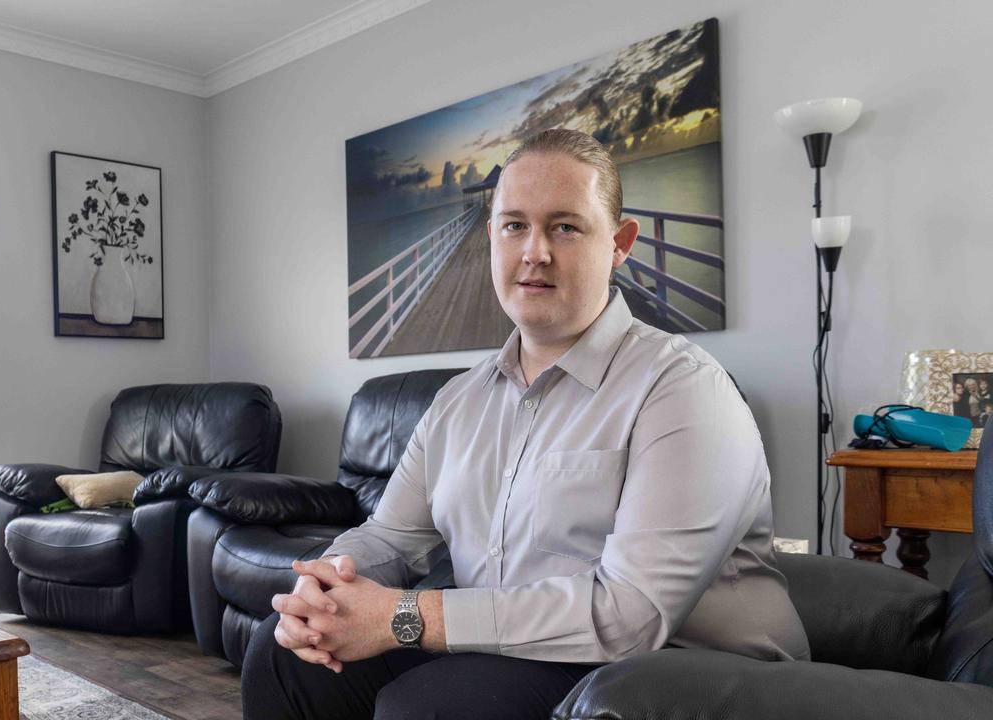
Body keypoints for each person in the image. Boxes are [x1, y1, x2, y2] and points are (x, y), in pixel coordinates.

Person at [241, 129, 810, 720]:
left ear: (618, 244)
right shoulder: (459, 401)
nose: (535, 251)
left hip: (685, 672)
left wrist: (402, 617)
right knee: (282, 657)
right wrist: (324, 588)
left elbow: (630, 616)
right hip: (523, 650)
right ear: (491, 238)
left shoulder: (683, 388)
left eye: (565, 226)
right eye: (514, 225)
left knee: (434, 706)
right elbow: (390, 538)